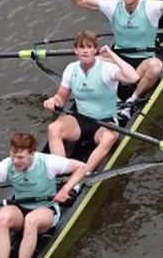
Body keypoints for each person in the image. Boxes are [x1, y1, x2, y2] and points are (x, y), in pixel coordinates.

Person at [44, 31, 139, 173]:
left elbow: (134, 77)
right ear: (76, 50)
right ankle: (61, 170)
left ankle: (83, 174)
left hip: (105, 121)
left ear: (95, 50)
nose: (85, 51)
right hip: (80, 120)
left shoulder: (106, 68)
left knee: (109, 137)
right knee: (53, 128)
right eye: (81, 47)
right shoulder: (71, 69)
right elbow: (61, 97)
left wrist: (112, 55)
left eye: (89, 47)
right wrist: (53, 101)